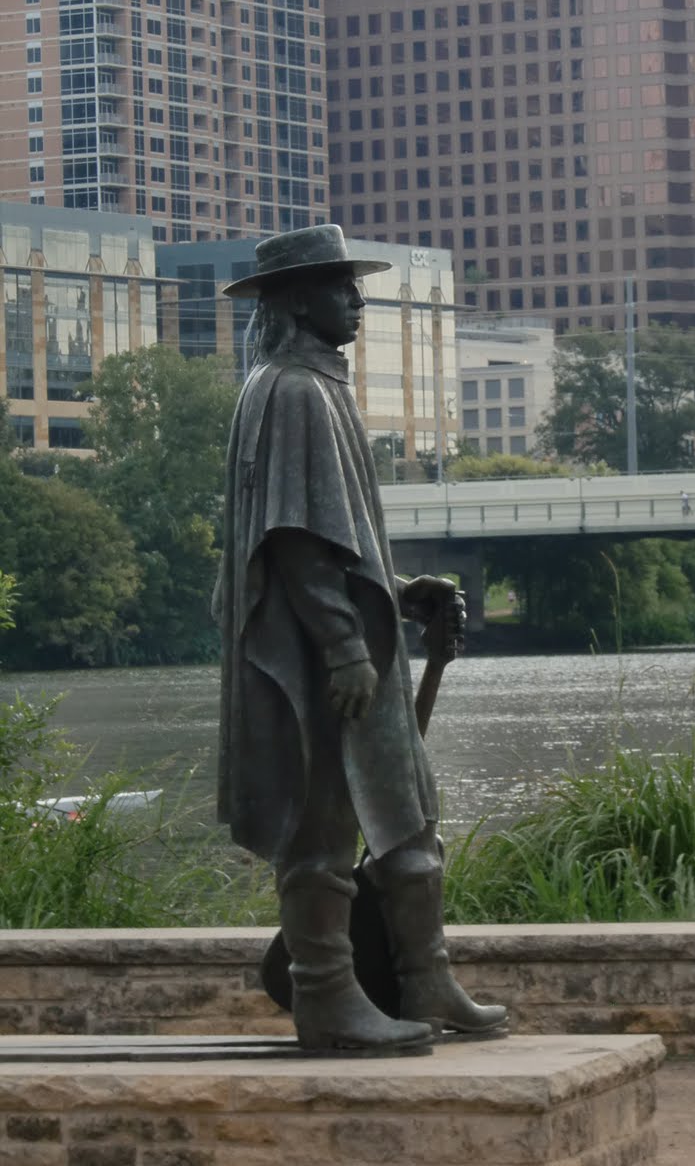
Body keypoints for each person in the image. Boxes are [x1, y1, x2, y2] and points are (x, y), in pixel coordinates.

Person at [215, 225, 506, 1053]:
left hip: (351, 642)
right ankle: (326, 994)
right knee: (323, 821)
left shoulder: (317, 386)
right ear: (296, 299)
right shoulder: (291, 391)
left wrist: (399, 590)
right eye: (340, 286)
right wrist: (344, 645)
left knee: (407, 815)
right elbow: (295, 540)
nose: (356, 299)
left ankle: (425, 978)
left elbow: (340, 539)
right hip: (316, 655)